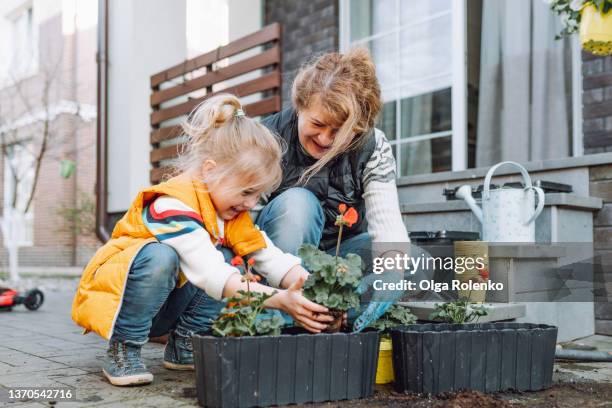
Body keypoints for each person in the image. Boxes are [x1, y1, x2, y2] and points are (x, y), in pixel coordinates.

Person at [71, 94, 332, 387]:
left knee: (224, 253)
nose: (252, 203)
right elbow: (213, 275)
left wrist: (307, 285)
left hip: (162, 306)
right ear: (210, 170)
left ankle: (185, 346)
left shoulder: (228, 212)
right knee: (164, 257)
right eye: (247, 192)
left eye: (257, 195)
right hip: (120, 302)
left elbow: (267, 255)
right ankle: (124, 349)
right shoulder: (172, 204)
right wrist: (280, 301)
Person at [255, 48, 412, 329]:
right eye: (317, 123)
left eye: (339, 130)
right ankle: (275, 324)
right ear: (300, 105)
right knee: (297, 205)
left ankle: (330, 319)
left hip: (335, 261)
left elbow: (387, 222)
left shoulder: (373, 146)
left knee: (409, 263)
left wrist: (392, 272)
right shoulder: (267, 139)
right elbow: (242, 222)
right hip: (275, 263)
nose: (326, 138)